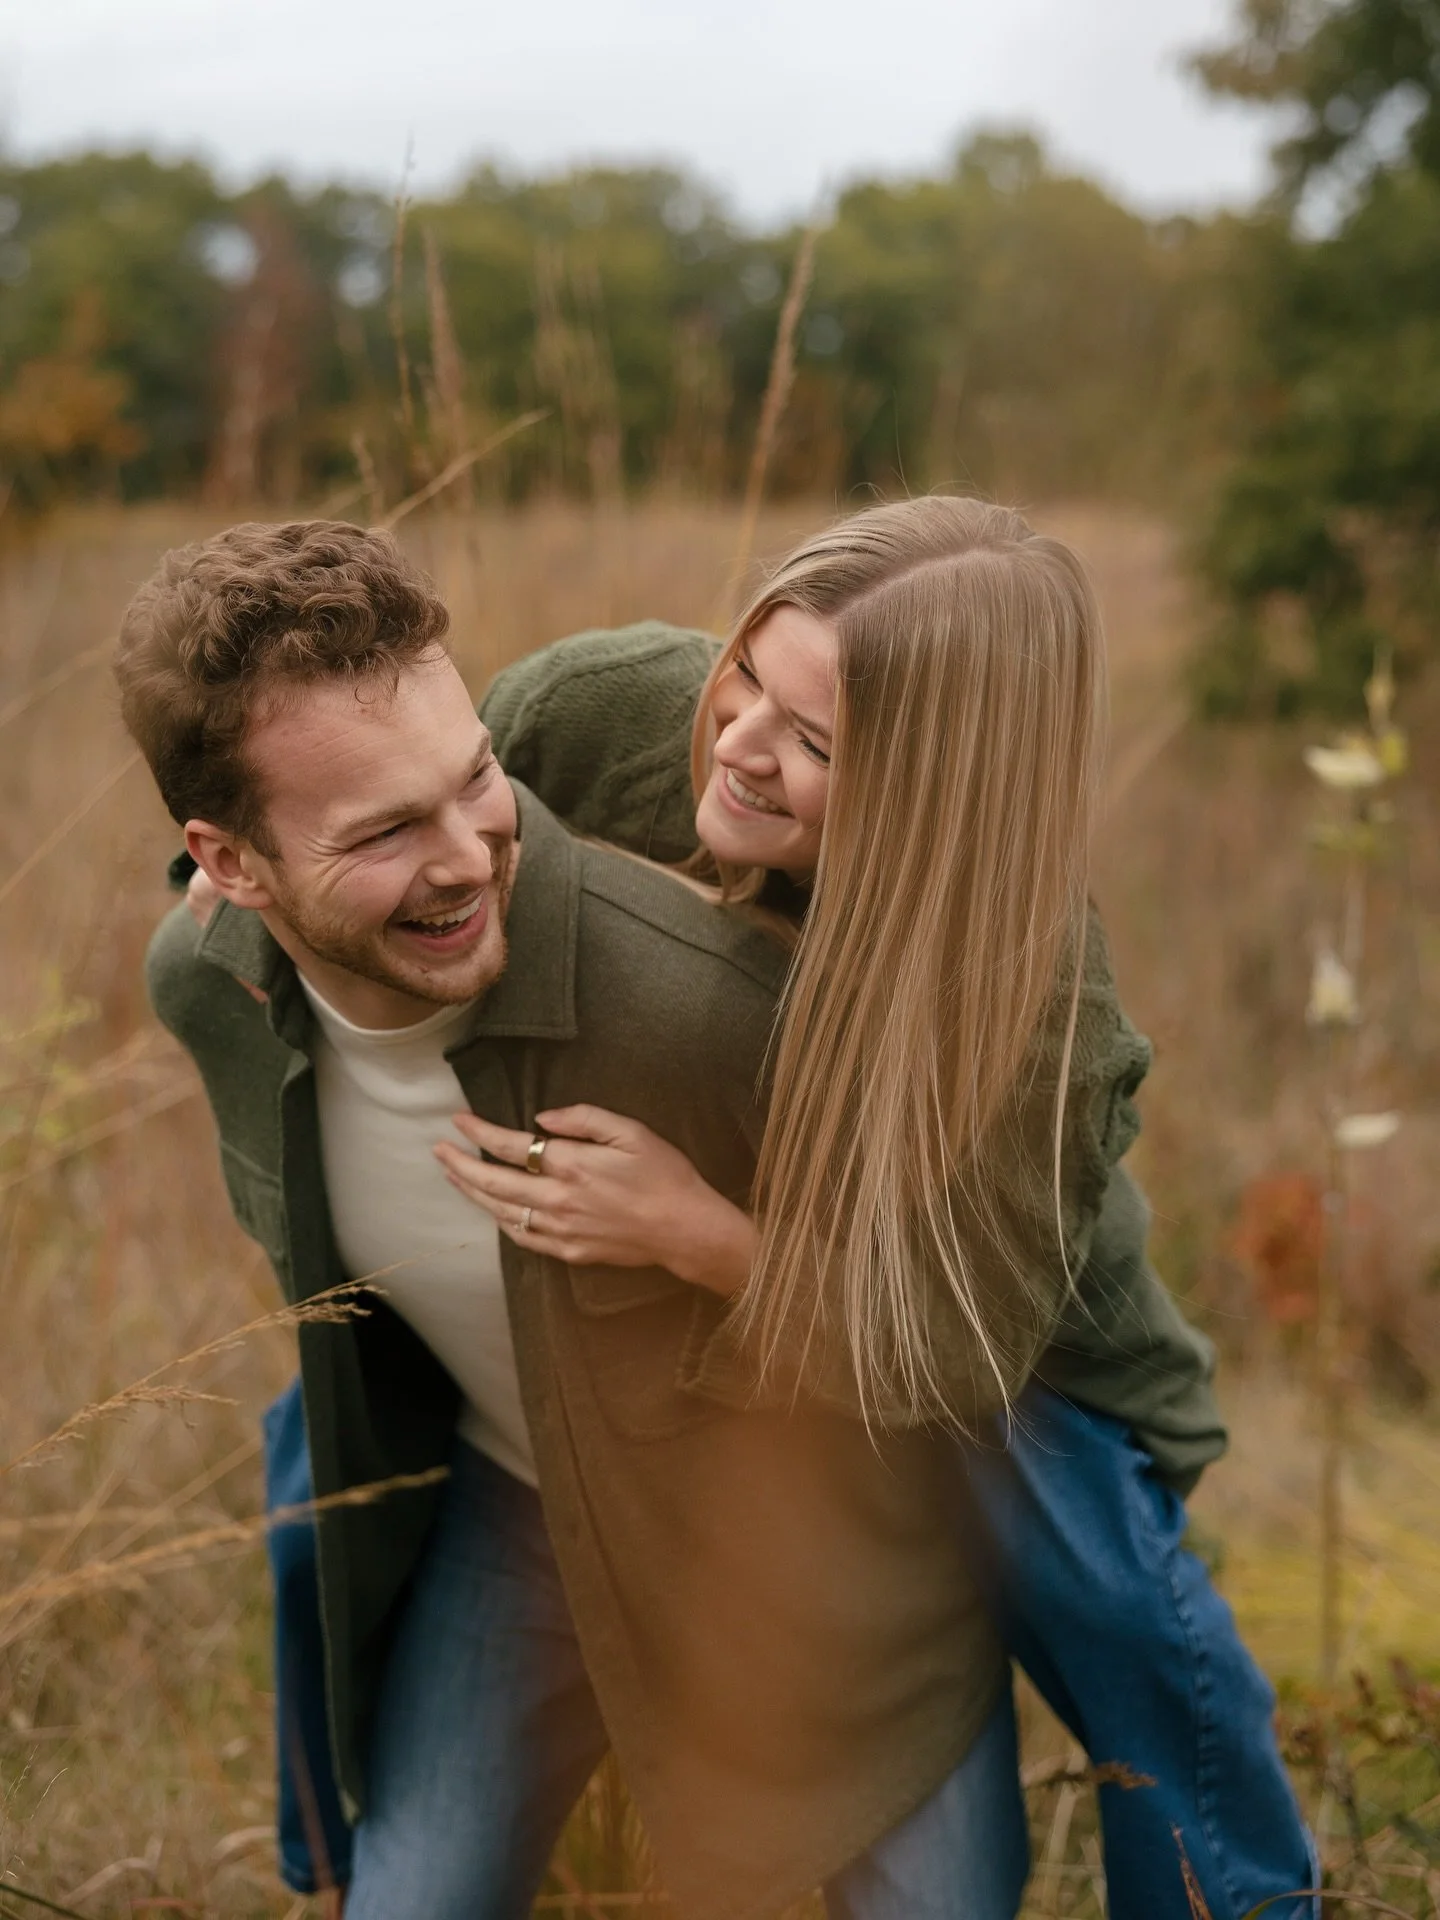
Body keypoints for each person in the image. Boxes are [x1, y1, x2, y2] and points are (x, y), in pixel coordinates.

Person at [119, 517, 1071, 1920]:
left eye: (476, 780)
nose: (468, 857)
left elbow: (956, 1341)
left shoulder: (702, 1012)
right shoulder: (210, 985)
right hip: (521, 1517)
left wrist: (711, 1241)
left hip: (811, 1567)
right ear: (232, 862)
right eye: (385, 829)